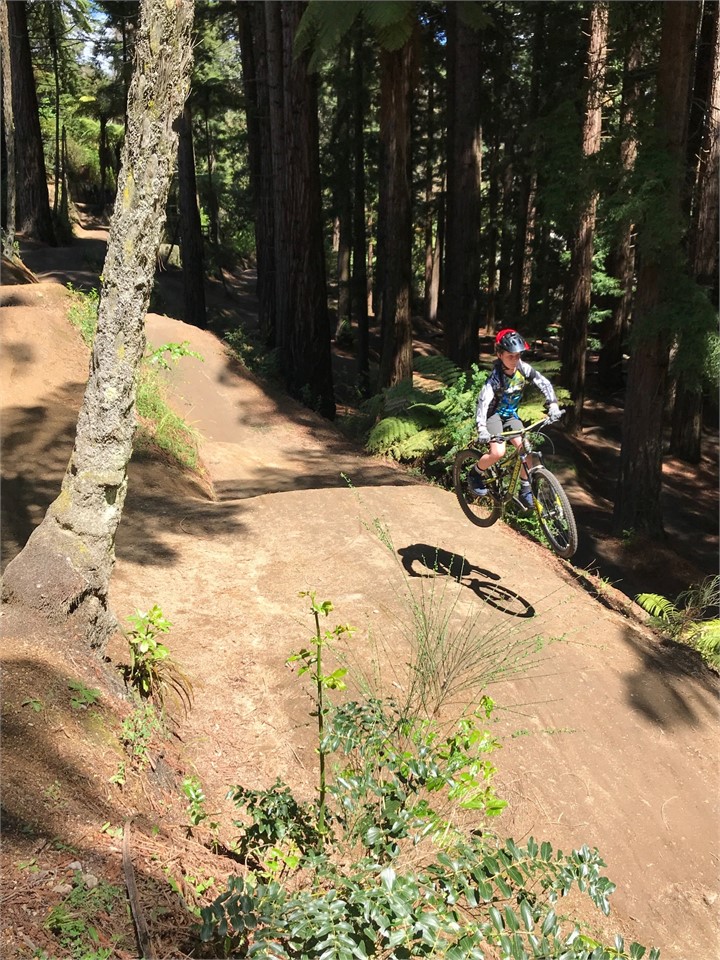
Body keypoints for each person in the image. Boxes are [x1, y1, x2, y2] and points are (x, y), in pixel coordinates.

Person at [469, 328, 562, 508]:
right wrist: (481, 428)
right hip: (493, 416)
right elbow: (483, 403)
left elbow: (543, 382)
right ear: (500, 355)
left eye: (518, 356)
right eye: (510, 356)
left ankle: (525, 489)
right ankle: (475, 473)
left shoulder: (522, 368)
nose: (515, 360)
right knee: (498, 452)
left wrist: (553, 404)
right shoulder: (495, 378)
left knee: (527, 451)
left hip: (511, 415)